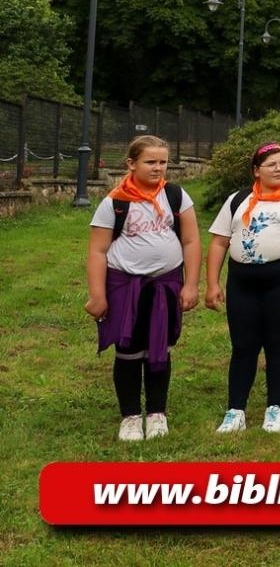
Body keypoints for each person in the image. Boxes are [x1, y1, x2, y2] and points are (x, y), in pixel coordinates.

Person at [86, 135, 200, 441]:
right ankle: (131, 416)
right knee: (128, 349)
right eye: (150, 162)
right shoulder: (116, 202)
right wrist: (97, 294)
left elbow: (190, 241)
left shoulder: (175, 196)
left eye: (163, 162)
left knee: (159, 346)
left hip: (165, 284)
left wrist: (190, 284)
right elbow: (97, 251)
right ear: (131, 163)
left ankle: (157, 413)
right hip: (125, 285)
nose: (158, 168)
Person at [205, 142, 280, 434]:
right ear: (257, 171)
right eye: (271, 164)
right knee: (243, 345)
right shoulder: (238, 199)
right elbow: (220, 242)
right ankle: (236, 410)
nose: (279, 169)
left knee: (277, 342)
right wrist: (211, 283)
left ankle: (275, 408)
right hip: (242, 282)